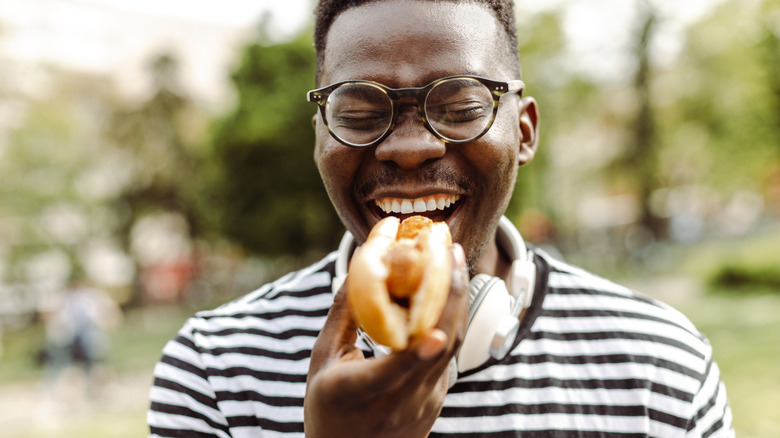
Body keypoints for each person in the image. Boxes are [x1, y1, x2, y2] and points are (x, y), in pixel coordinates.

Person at [147, 0, 734, 436]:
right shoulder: (212, 371)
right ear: (320, 137)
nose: (409, 147)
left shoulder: (662, 365)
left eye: (458, 106)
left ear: (523, 131)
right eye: (357, 110)